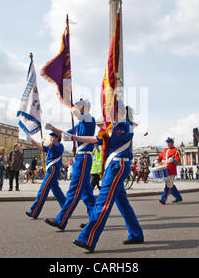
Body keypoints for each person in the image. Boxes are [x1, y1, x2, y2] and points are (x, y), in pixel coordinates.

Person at [66, 101, 144, 252]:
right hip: (113, 166)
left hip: (117, 165)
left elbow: (112, 134)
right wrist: (74, 137)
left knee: (103, 201)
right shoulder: (110, 126)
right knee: (122, 203)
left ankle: (88, 238)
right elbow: (96, 139)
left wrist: (110, 126)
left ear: (119, 112)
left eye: (110, 110)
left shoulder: (125, 126)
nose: (107, 113)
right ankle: (136, 233)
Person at [43, 99, 97, 231]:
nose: (76, 109)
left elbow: (76, 113)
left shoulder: (89, 119)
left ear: (84, 108)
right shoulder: (79, 124)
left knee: (74, 189)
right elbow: (64, 134)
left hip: (84, 157)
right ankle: (95, 220)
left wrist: (72, 106)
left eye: (80, 107)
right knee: (86, 193)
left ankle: (61, 220)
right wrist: (53, 128)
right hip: (80, 157)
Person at [26, 132, 66, 219]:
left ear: (58, 138)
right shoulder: (51, 146)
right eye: (50, 137)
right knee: (57, 192)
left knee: (43, 190)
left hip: (53, 169)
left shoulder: (59, 145)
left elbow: (49, 144)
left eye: (52, 137)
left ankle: (34, 211)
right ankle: (66, 208)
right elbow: (41, 147)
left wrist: (44, 140)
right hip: (51, 169)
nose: (51, 138)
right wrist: (32, 140)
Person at [158, 137, 183, 204]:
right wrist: (157, 160)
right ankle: (178, 197)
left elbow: (178, 160)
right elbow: (160, 157)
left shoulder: (176, 150)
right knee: (170, 184)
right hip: (164, 169)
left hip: (171, 170)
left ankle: (163, 199)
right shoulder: (165, 150)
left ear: (172, 143)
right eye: (167, 143)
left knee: (168, 185)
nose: (168, 144)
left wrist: (174, 160)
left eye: (169, 142)